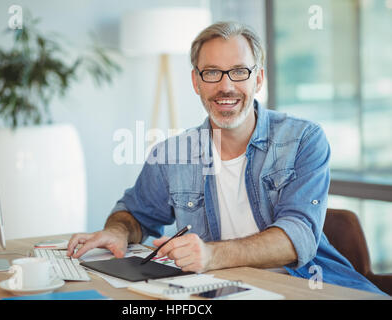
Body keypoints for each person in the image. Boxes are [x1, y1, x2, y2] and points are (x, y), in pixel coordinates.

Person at [67, 21, 385, 295]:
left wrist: (209, 255)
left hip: (307, 288)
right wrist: (117, 232)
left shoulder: (303, 139)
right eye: (212, 73)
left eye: (238, 71)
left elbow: (297, 237)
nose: (226, 86)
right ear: (196, 81)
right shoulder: (172, 154)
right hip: (218, 292)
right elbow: (134, 214)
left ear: (258, 78)